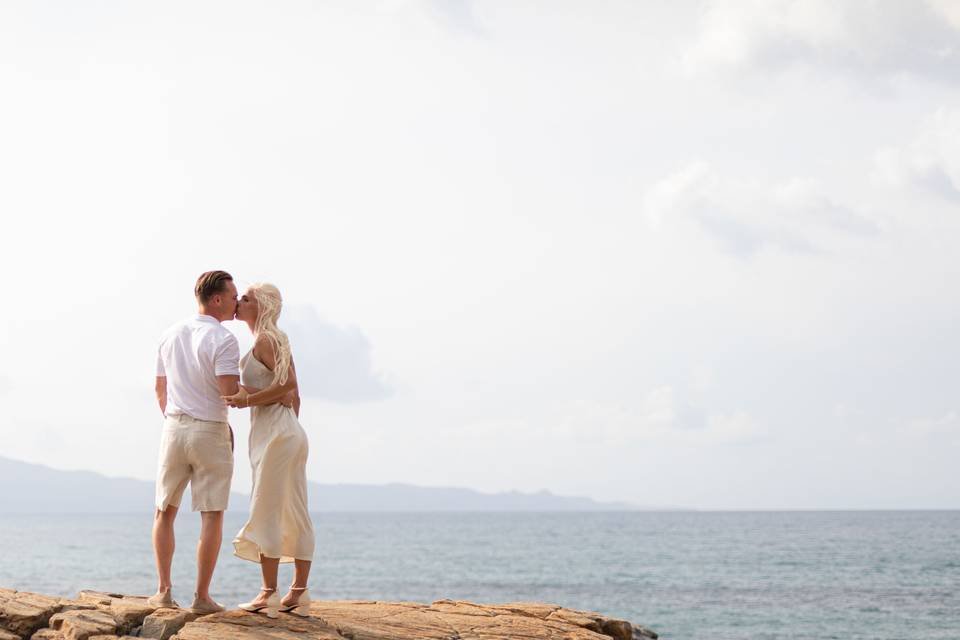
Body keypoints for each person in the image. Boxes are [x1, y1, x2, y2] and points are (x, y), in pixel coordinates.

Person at [150, 270, 240, 613]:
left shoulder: (169, 333)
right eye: (232, 296)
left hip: (173, 427)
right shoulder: (224, 339)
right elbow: (229, 392)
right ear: (216, 299)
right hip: (210, 429)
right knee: (211, 514)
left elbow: (160, 389)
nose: (236, 302)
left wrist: (176, 419)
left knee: (164, 510)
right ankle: (201, 597)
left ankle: (163, 590)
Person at [225, 283, 315, 618]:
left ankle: (269, 593)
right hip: (287, 431)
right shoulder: (274, 339)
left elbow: (287, 388)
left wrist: (249, 401)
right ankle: (298, 593)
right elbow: (290, 393)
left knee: (267, 509)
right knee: (295, 508)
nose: (239, 302)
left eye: (245, 298)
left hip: (278, 435)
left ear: (260, 306)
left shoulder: (266, 340)